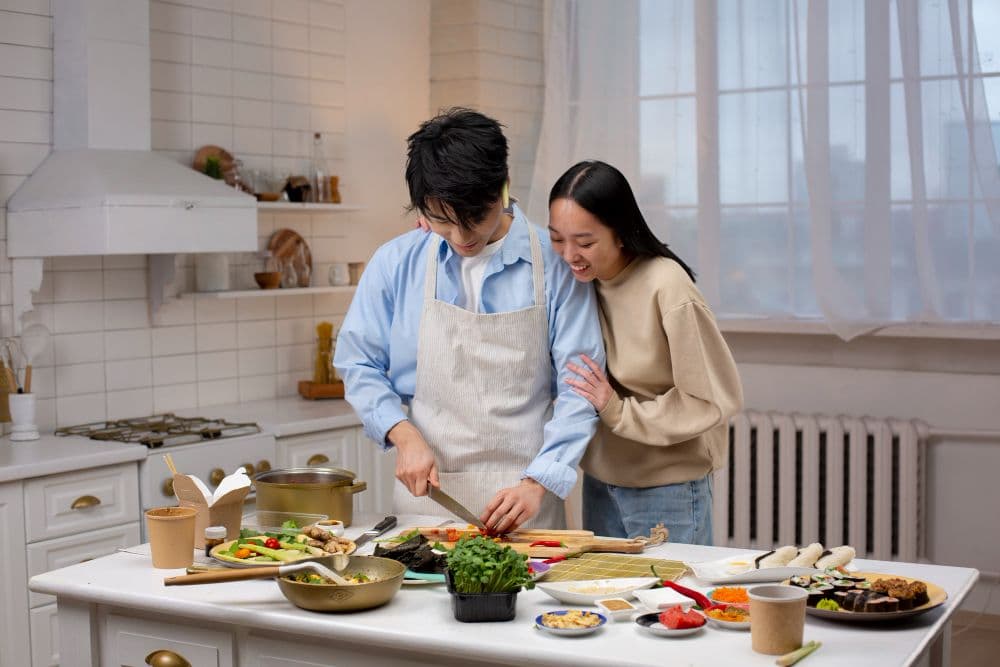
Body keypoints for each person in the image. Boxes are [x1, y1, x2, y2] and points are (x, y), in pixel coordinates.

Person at [334, 109, 605, 533]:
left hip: (527, 505)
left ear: (503, 186)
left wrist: (539, 482)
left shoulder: (554, 264)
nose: (462, 238)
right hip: (425, 504)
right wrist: (402, 434)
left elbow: (580, 388)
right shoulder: (396, 262)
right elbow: (357, 362)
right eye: (442, 221)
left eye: (474, 218)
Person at [547, 160, 743, 544]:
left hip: (667, 488)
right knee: (603, 586)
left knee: (672, 586)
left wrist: (616, 409)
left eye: (585, 243)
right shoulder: (578, 281)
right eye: (557, 239)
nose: (569, 255)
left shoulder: (668, 287)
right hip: (600, 483)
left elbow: (709, 400)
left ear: (620, 233)